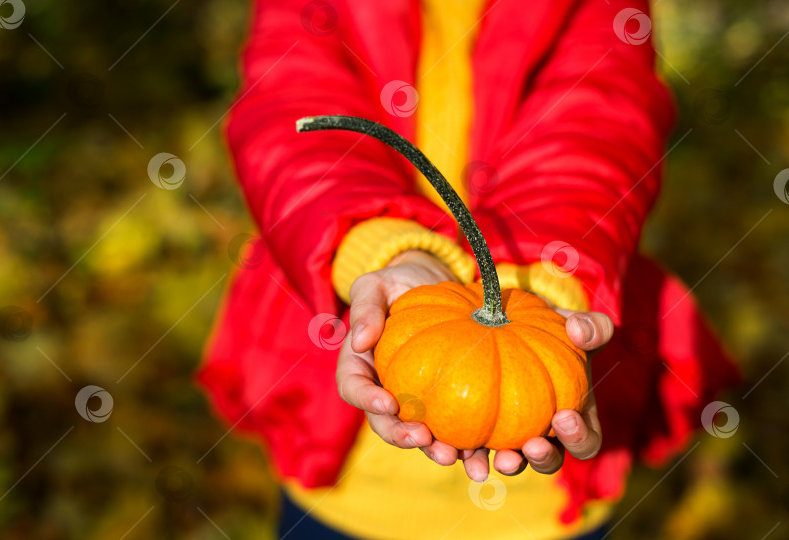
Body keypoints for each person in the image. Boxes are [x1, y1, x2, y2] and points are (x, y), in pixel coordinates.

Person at [198, 1, 739, 538]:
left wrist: (546, 277)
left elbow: (597, 123)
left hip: (537, 480)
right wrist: (381, 247)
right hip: (338, 452)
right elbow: (287, 108)